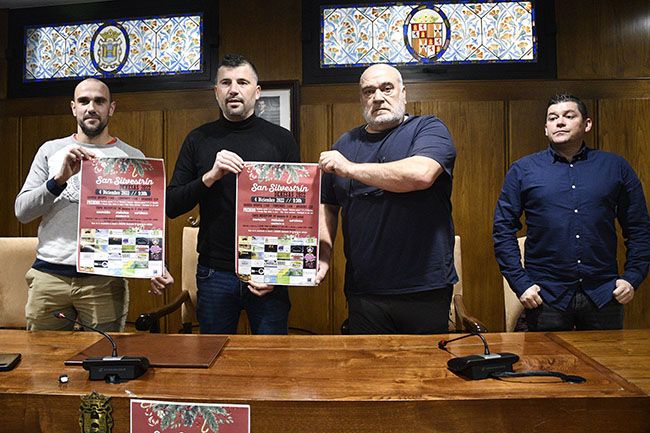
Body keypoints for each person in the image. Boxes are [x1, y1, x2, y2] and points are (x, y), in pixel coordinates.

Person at [317, 64, 458, 334]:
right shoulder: (345, 144)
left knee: (424, 362)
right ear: (361, 99)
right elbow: (328, 205)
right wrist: (323, 255)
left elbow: (421, 174)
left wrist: (351, 169)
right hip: (364, 289)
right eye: (368, 91)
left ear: (403, 93)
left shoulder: (428, 128)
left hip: (424, 287)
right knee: (368, 361)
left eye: (387, 88)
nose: (378, 97)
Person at [166, 54, 299, 334]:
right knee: (214, 355)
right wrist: (210, 177)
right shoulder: (198, 139)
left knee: (272, 356)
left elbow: (295, 214)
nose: (234, 89)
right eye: (226, 83)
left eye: (242, 82)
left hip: (268, 269)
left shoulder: (282, 139)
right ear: (216, 92)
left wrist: (278, 272)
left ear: (257, 92)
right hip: (215, 272)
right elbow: (172, 205)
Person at [493, 94, 650, 331]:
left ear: (587, 124)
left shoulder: (615, 167)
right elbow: (503, 230)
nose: (560, 122)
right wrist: (520, 283)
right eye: (552, 118)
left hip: (604, 294)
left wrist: (632, 277)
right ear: (545, 128)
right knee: (547, 356)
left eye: (569, 116)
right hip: (545, 296)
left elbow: (639, 228)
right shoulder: (523, 170)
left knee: (605, 356)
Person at [15, 78, 147, 332]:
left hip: (104, 280)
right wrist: (58, 180)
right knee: (44, 355)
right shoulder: (50, 150)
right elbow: (22, 211)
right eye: (84, 101)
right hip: (49, 276)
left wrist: (155, 264)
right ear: (73, 107)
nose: (91, 108)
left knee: (103, 353)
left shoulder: (132, 158)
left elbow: (142, 223)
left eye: (99, 101)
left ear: (111, 108)